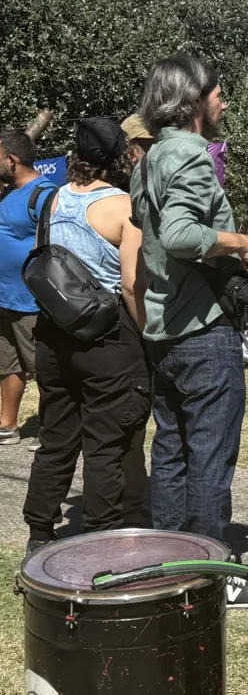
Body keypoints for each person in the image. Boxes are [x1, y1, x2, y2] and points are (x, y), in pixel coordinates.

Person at [131, 55, 248, 607]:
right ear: (193, 100)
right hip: (202, 331)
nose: (223, 101)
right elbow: (179, 234)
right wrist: (242, 244)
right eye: (217, 93)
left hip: (163, 329)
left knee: (171, 452)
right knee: (210, 456)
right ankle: (212, 575)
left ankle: (168, 567)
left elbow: (149, 235)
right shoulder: (191, 154)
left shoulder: (149, 158)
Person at [22, 118, 151, 555]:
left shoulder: (51, 199)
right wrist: (147, 335)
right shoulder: (124, 206)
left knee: (56, 437)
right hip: (107, 339)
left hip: (53, 334)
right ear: (120, 157)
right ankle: (101, 535)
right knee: (106, 442)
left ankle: (40, 530)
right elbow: (131, 284)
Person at [0, 130, 58, 447]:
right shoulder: (7, 192)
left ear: (11, 160)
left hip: (30, 301)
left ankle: (53, 429)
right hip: (3, 298)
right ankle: (7, 426)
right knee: (7, 365)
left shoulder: (44, 194)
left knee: (45, 369)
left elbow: (54, 247)